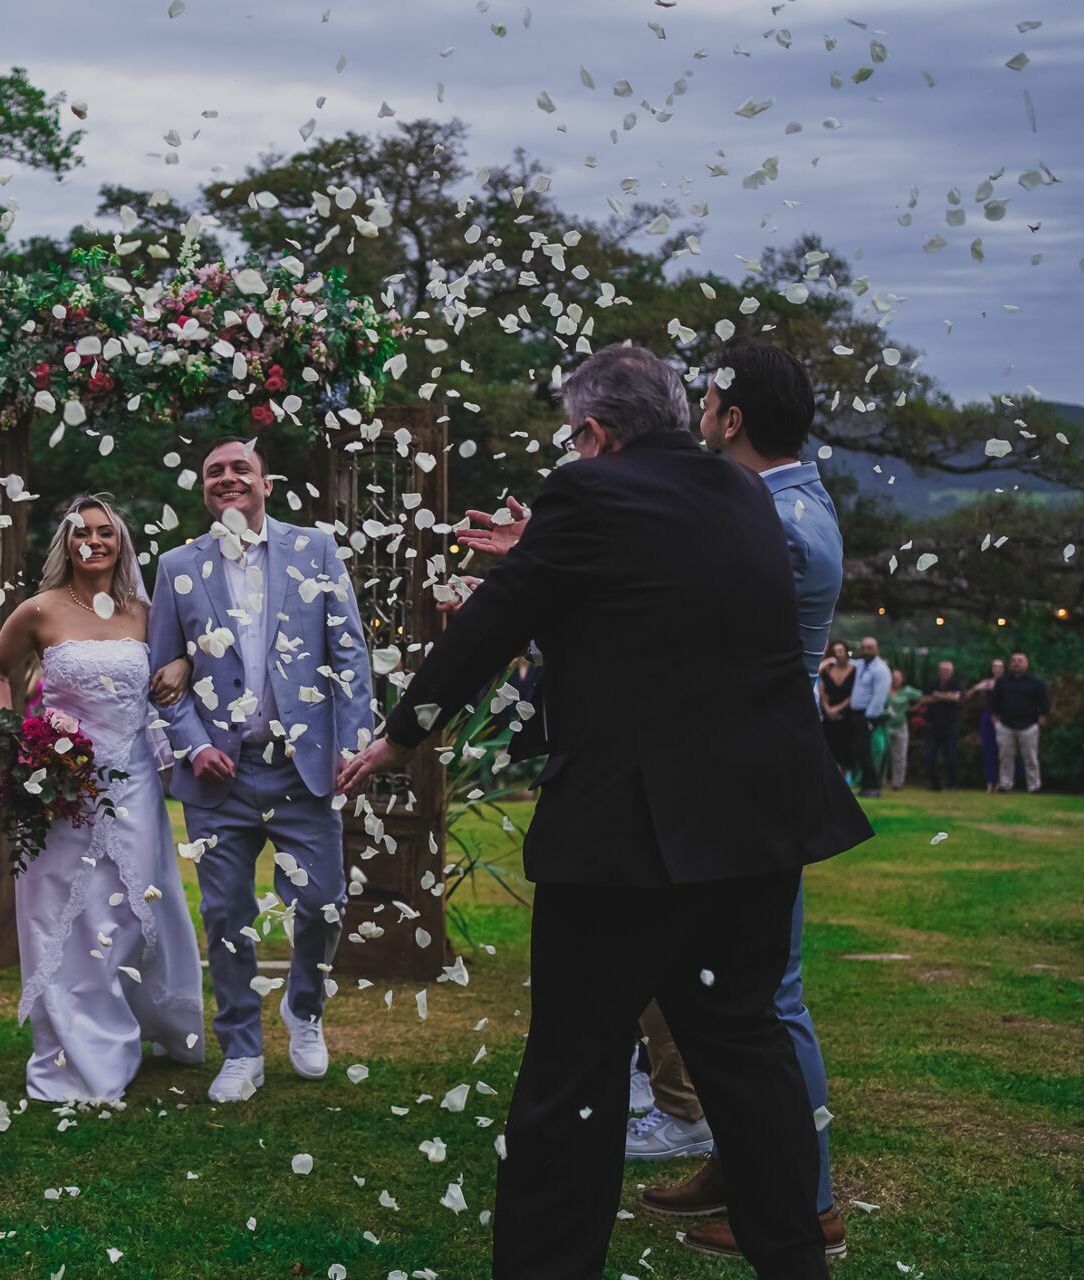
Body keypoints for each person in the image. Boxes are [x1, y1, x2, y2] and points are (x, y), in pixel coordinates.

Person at [338, 344, 871, 1279]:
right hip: (754, 828)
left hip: (625, 838)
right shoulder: (743, 496)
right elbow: (654, 620)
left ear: (592, 431)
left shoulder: (583, 496)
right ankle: (796, 1260)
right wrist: (548, 557)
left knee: (573, 1069)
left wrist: (400, 737)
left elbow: (491, 624)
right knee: (745, 1053)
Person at [628, 340, 848, 1258]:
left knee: (769, 1000)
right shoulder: (792, 498)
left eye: (708, 398)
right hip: (752, 768)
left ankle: (808, 1200)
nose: (700, 416)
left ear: (729, 416)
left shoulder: (767, 514)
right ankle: (740, 1158)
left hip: (751, 777)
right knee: (730, 990)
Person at [148, 438, 375, 1103]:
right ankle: (241, 1048)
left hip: (304, 768)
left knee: (324, 905)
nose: (227, 478)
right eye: (214, 471)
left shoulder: (315, 550)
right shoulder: (175, 565)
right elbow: (163, 680)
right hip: (220, 777)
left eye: (238, 468)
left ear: (265, 482)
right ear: (202, 487)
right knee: (225, 915)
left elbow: (350, 654)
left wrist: (352, 743)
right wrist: (192, 745)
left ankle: (304, 1010)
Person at [0, 495, 206, 1102]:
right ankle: (77, 1044)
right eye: (82, 531)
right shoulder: (40, 610)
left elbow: (181, 655)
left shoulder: (144, 611)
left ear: (121, 542)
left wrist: (181, 663)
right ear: (67, 542)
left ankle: (140, 1018)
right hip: (61, 786)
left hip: (133, 784)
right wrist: (14, 739)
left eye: (105, 532)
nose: (94, 540)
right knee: (67, 917)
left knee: (134, 913)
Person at [990, 651, 1050, 793]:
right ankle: (1005, 784)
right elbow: (994, 703)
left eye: (1020, 660)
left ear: (1026, 663)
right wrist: (996, 722)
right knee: (1005, 757)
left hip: (1029, 726)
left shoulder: (1036, 682)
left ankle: (1034, 786)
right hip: (1005, 725)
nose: (1016, 663)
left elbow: (1044, 704)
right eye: (1014, 660)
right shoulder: (1002, 682)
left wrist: (1040, 721)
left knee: (1030, 758)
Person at [851, 636, 892, 797]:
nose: (866, 651)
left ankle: (873, 786)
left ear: (877, 649)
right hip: (856, 713)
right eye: (864, 648)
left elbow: (879, 696)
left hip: (868, 715)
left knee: (866, 751)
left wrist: (869, 718)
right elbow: (847, 664)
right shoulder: (861, 665)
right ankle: (866, 785)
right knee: (860, 751)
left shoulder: (881, 669)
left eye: (870, 648)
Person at [920, 659, 964, 790]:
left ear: (952, 672)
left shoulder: (955, 684)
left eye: (948, 670)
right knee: (930, 755)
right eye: (943, 670)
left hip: (950, 725)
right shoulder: (931, 684)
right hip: (933, 725)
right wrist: (945, 696)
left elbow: (956, 698)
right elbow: (923, 699)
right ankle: (934, 784)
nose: (945, 673)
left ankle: (952, 783)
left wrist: (937, 695)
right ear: (938, 671)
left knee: (951, 756)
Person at [818, 642, 858, 780]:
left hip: (846, 714)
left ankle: (845, 778)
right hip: (828, 714)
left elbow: (854, 694)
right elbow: (822, 691)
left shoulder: (855, 670)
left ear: (846, 652)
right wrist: (828, 708)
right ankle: (828, 777)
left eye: (840, 651)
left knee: (846, 745)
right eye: (835, 651)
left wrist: (837, 708)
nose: (838, 654)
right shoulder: (828, 670)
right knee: (828, 745)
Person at [969, 657, 1007, 793]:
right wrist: (975, 689)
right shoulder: (988, 683)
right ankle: (990, 782)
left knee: (1004, 752)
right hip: (988, 718)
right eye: (994, 667)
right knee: (989, 751)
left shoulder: (1008, 683)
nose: (997, 669)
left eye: (1000, 667)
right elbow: (969, 693)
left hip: (1004, 719)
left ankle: (1003, 782)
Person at [883, 669, 922, 790]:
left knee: (899, 756)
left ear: (902, 680)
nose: (895, 680)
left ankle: (897, 783)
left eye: (897, 678)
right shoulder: (884, 690)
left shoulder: (907, 691)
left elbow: (921, 697)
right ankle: (879, 781)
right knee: (882, 754)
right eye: (893, 678)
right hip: (886, 726)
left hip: (901, 727)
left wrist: (912, 708)